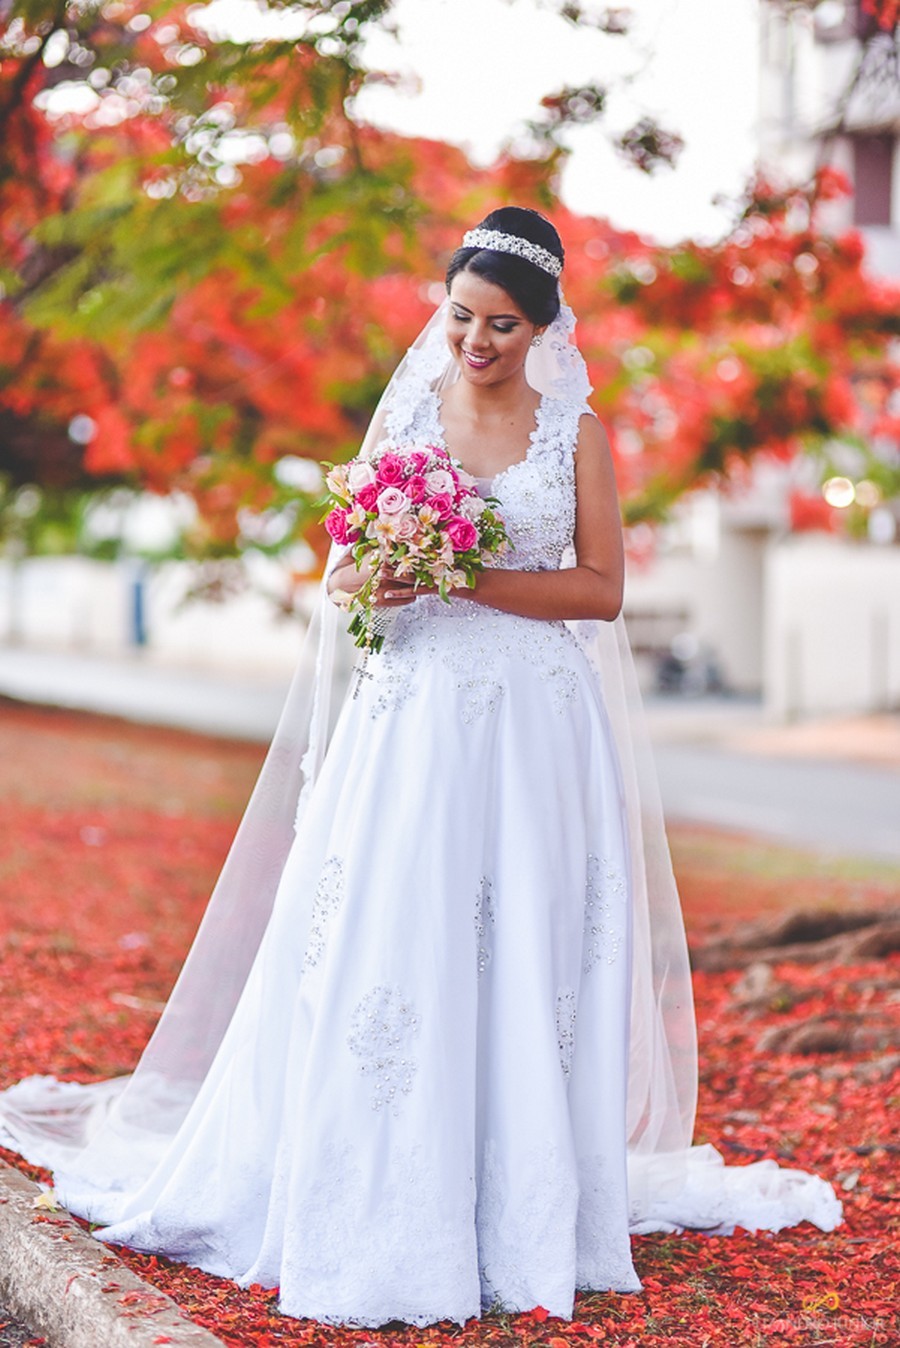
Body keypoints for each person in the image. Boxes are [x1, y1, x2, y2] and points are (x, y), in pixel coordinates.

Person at [0, 207, 841, 1328]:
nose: (476, 342)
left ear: (544, 329)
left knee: (526, 942)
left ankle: (518, 1207)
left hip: (537, 730)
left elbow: (601, 590)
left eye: (502, 325)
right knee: (400, 927)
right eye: (460, 317)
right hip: (415, 719)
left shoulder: (575, 433)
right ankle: (384, 1195)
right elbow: (343, 571)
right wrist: (390, 574)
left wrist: (466, 574)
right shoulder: (409, 413)